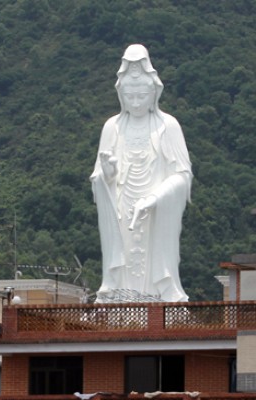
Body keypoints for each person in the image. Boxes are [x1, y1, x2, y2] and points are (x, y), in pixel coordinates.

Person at [91, 44, 192, 303]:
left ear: (154, 92)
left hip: (156, 213)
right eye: (130, 96)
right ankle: (118, 301)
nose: (135, 102)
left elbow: (183, 176)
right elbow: (98, 178)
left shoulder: (167, 126)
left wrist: (154, 198)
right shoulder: (112, 127)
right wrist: (107, 175)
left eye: (142, 96)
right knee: (123, 261)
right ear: (120, 94)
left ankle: (160, 300)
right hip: (122, 210)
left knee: (153, 262)